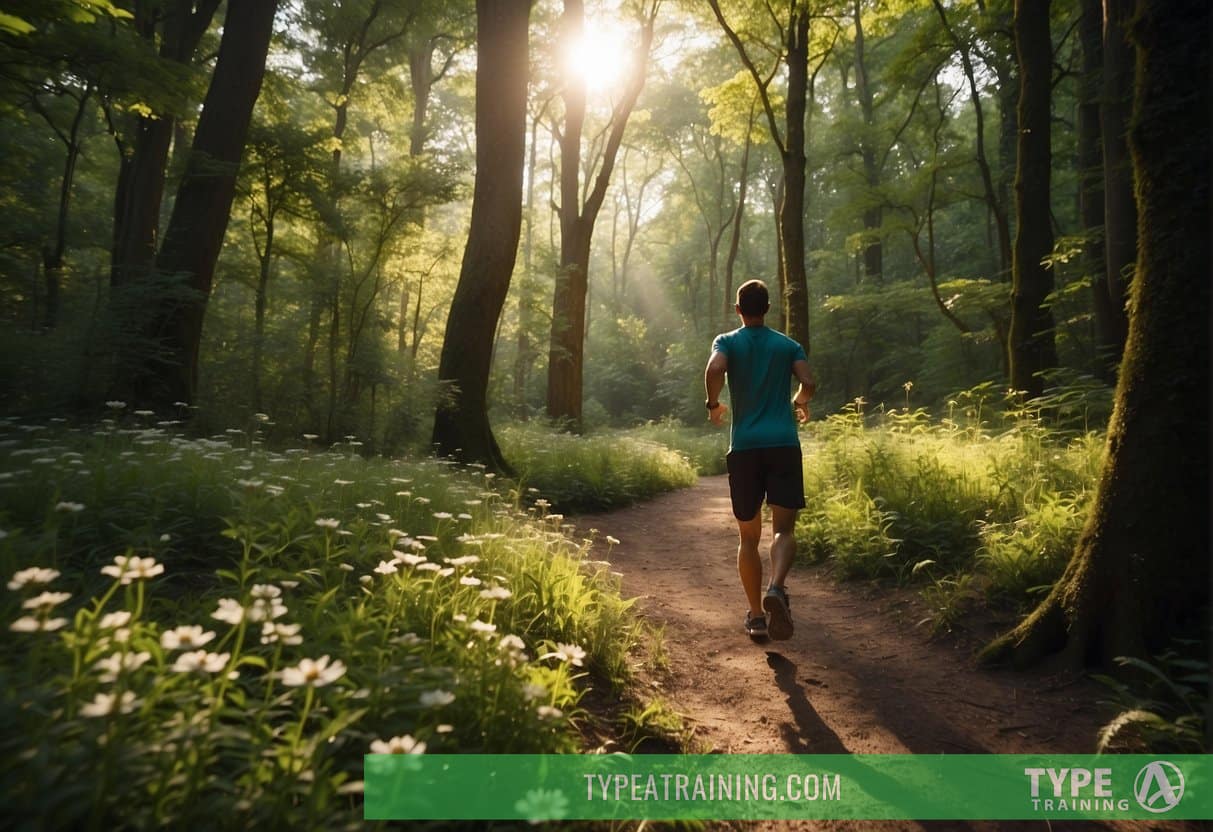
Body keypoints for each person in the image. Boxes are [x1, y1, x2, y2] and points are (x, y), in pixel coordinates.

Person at [704, 279, 815, 641]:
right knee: (784, 529)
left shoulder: (727, 342)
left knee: (748, 538)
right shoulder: (787, 345)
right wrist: (799, 403)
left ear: (738, 309)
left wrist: (714, 403)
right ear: (768, 308)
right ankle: (777, 588)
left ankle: (755, 616)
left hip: (746, 448)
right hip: (783, 444)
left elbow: (715, 369)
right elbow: (809, 381)